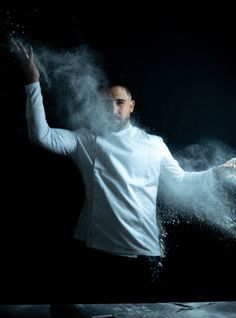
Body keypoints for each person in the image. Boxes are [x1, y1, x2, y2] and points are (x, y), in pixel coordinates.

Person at [12, 40, 236, 302]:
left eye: (120, 102)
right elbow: (41, 135)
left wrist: (215, 173)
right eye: (107, 102)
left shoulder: (154, 145)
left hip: (144, 254)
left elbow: (182, 182)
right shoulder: (86, 140)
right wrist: (33, 82)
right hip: (96, 252)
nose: (113, 109)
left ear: (131, 106)